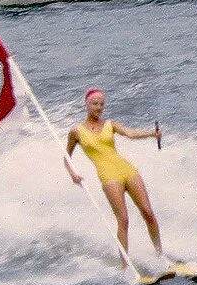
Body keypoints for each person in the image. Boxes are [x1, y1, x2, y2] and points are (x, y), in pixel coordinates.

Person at [65, 88, 165, 266]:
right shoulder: (76, 132)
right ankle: (126, 266)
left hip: (127, 170)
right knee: (123, 220)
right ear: (87, 105)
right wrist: (73, 174)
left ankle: (160, 255)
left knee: (148, 213)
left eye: (101, 104)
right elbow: (67, 157)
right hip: (109, 176)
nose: (99, 107)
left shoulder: (110, 124)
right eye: (95, 104)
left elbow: (130, 133)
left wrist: (152, 133)